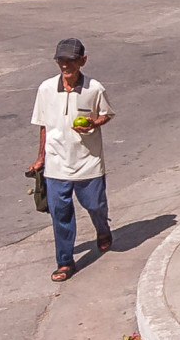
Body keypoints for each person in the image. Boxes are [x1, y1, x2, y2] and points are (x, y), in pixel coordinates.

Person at [28, 38, 116, 282]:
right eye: (61, 60)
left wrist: (94, 123)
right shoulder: (45, 88)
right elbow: (44, 125)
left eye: (71, 60)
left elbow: (107, 114)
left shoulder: (95, 88)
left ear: (83, 60)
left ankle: (102, 229)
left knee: (95, 205)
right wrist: (40, 159)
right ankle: (65, 261)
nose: (65, 65)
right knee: (60, 214)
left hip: (88, 160)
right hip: (56, 164)